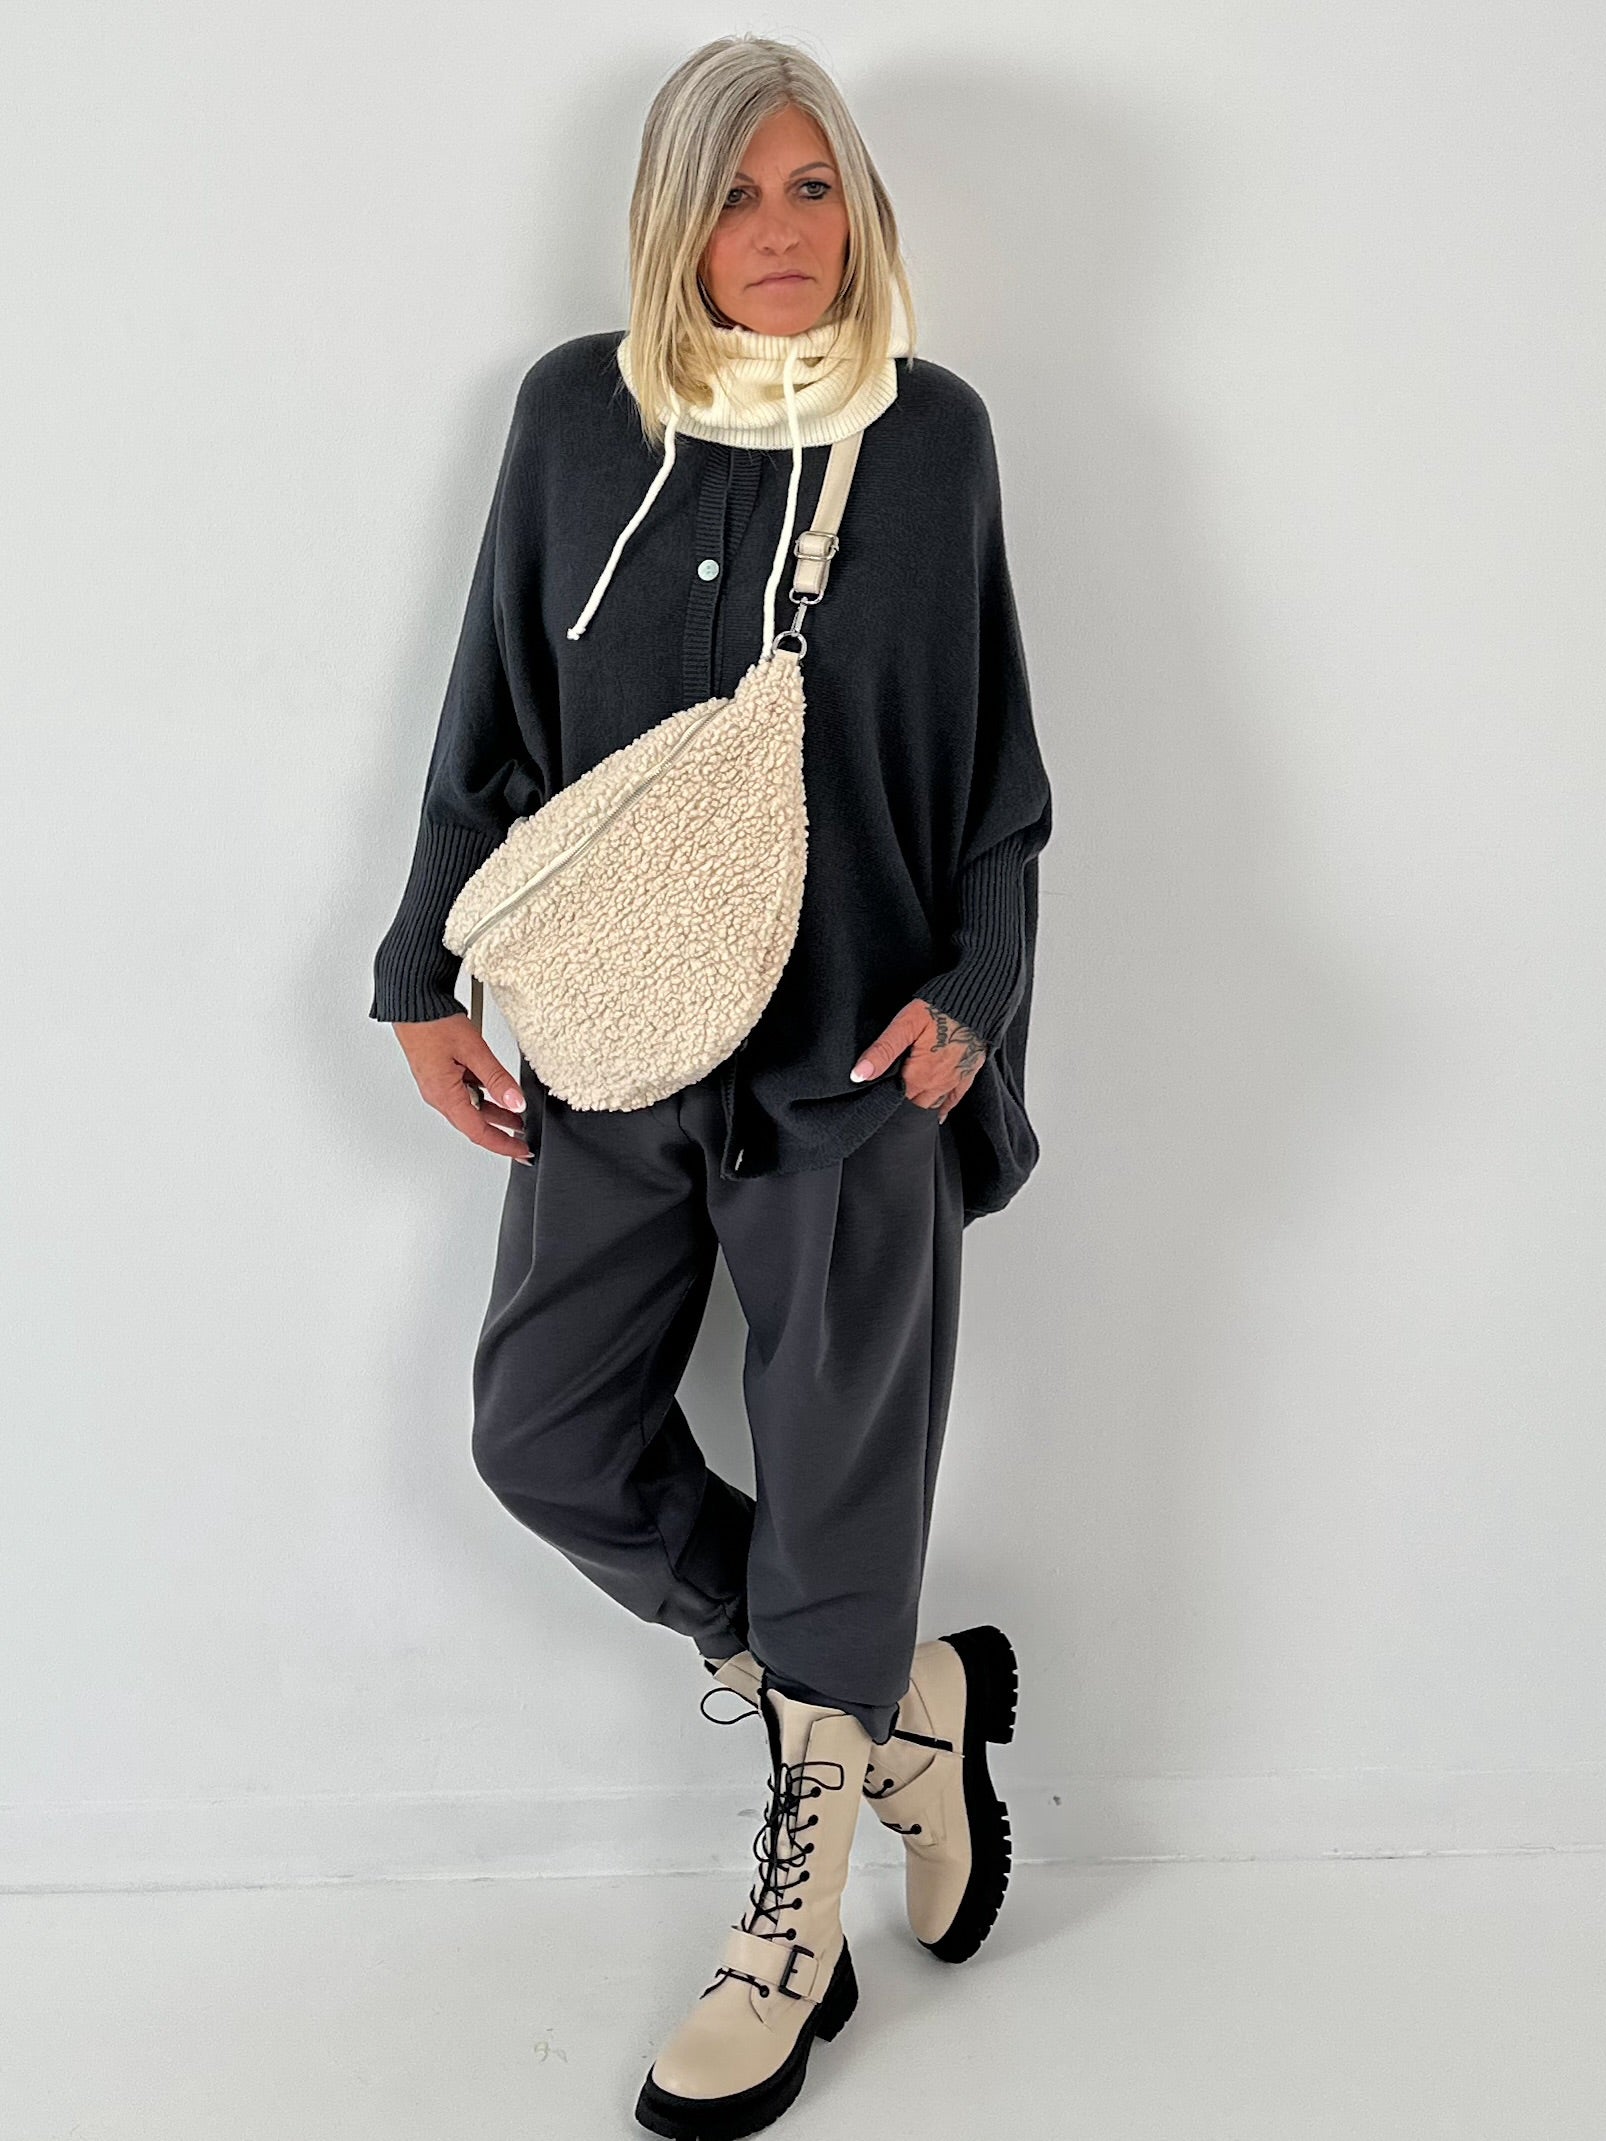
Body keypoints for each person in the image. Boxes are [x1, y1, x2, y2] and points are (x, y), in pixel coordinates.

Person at [369, 36, 1052, 2139]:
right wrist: (417, 972)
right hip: (614, 1045)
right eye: (736, 194)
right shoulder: (574, 415)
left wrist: (972, 997)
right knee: (540, 1430)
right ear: (670, 219)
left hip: (855, 1064)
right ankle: (887, 1699)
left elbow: (999, 776)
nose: (777, 232)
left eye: (811, 188)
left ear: (859, 208)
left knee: (842, 1482)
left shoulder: (929, 436)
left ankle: (789, 1927)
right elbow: (491, 706)